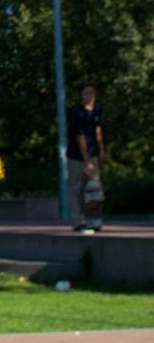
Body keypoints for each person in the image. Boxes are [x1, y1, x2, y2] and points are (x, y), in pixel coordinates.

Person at [67, 83, 106, 233]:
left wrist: (101, 149)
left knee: (94, 188)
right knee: (76, 188)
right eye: (86, 93)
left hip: (92, 153)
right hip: (76, 156)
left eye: (92, 93)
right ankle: (78, 221)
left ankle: (94, 220)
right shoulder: (77, 112)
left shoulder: (97, 108)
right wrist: (87, 161)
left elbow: (97, 129)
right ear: (81, 95)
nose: (89, 96)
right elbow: (80, 137)